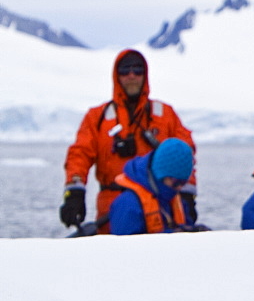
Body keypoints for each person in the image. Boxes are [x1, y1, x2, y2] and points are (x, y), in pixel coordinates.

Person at [61, 48, 197, 233]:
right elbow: (80, 154)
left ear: (145, 74)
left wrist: (187, 193)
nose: (131, 75)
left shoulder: (165, 115)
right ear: (116, 76)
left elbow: (184, 154)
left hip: (160, 204)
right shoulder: (97, 118)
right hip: (110, 205)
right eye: (125, 70)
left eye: (137, 70)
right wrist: (74, 192)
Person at [109, 138, 202, 235]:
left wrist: (194, 232)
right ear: (160, 174)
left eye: (183, 183)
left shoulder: (173, 198)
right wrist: (173, 235)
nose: (179, 188)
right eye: (176, 182)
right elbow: (125, 247)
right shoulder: (128, 204)